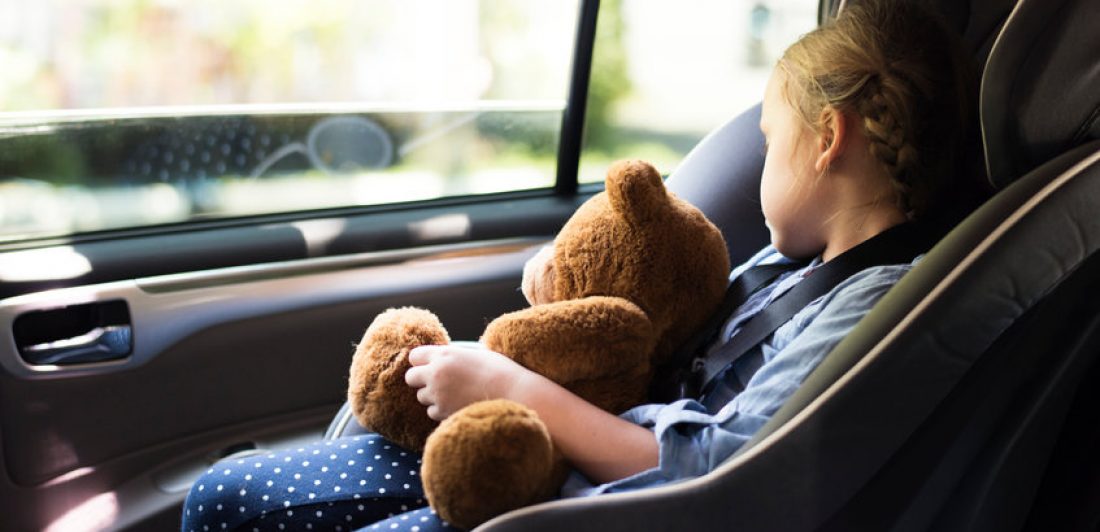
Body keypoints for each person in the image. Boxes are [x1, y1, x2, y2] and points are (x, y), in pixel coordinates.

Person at [181, 1, 976, 530]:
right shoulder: (789, 261)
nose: (761, 158)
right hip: (556, 452)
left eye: (770, 141)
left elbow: (722, 465)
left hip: (595, 499)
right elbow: (660, 325)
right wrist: (563, 283)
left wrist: (509, 387)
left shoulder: (875, 301)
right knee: (222, 494)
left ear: (829, 138)